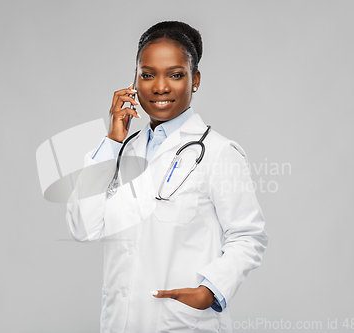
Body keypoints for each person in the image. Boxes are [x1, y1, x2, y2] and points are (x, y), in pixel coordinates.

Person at [65, 21, 268, 333]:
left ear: (195, 79)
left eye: (175, 74)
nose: (160, 87)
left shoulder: (217, 152)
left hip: (181, 323)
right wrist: (112, 141)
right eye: (147, 75)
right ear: (135, 81)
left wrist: (211, 290)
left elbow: (248, 236)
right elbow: (82, 227)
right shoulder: (120, 151)